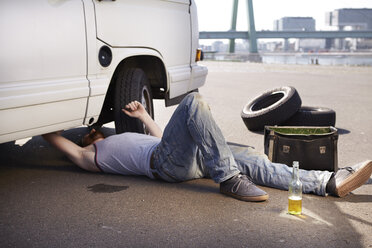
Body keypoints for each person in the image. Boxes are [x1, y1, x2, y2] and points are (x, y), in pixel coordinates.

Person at [43, 93, 372, 202]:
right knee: (192, 103)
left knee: (256, 165)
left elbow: (163, 139)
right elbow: (52, 136)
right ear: (85, 142)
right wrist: (40, 125)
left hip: (182, 157)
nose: (94, 131)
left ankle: (327, 183)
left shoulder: (119, 138)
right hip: (164, 166)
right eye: (89, 132)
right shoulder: (90, 157)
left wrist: (144, 115)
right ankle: (229, 180)